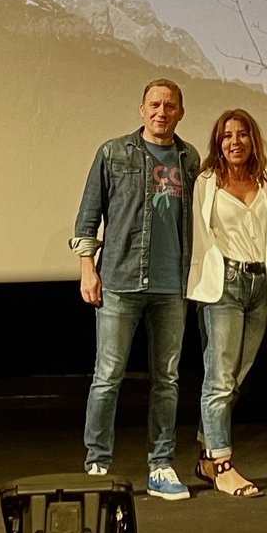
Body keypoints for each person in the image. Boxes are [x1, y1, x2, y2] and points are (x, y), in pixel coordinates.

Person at [69, 78, 200, 501]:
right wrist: (88, 270)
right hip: (121, 281)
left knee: (167, 379)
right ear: (141, 109)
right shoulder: (112, 153)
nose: (162, 112)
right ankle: (97, 463)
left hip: (172, 285)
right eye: (155, 105)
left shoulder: (190, 158)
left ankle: (161, 465)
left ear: (181, 112)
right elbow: (88, 217)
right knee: (107, 376)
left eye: (170, 106)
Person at [187, 109, 267, 498]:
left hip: (260, 286)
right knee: (219, 379)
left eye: (242, 135)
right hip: (223, 286)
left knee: (236, 378)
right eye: (227, 136)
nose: (234, 142)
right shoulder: (206, 182)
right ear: (218, 143)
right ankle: (222, 465)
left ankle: (206, 456)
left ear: (253, 140)